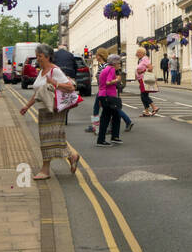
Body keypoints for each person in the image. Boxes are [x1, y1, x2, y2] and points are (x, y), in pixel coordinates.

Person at [18, 44, 80, 179]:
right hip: (43, 109)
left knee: (48, 138)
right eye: (37, 56)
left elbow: (70, 87)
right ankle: (72, 156)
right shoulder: (41, 72)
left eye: (40, 56)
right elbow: (38, 93)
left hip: (54, 110)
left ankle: (45, 170)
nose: (38, 59)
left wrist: (54, 83)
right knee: (50, 138)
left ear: (48, 57)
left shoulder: (55, 71)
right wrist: (27, 106)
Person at [94, 52, 125, 147]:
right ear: (114, 63)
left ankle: (114, 137)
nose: (119, 65)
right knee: (106, 118)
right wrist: (117, 80)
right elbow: (108, 82)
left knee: (115, 115)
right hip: (108, 96)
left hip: (104, 95)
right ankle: (101, 140)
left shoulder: (106, 69)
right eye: (119, 63)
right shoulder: (111, 69)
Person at [136, 48, 158, 116]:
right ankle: (147, 111)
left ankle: (154, 107)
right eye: (137, 52)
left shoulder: (145, 59)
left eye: (139, 52)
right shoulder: (140, 60)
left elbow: (150, 68)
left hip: (144, 79)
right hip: (141, 80)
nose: (137, 54)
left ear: (143, 53)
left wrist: (142, 71)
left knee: (143, 96)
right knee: (144, 96)